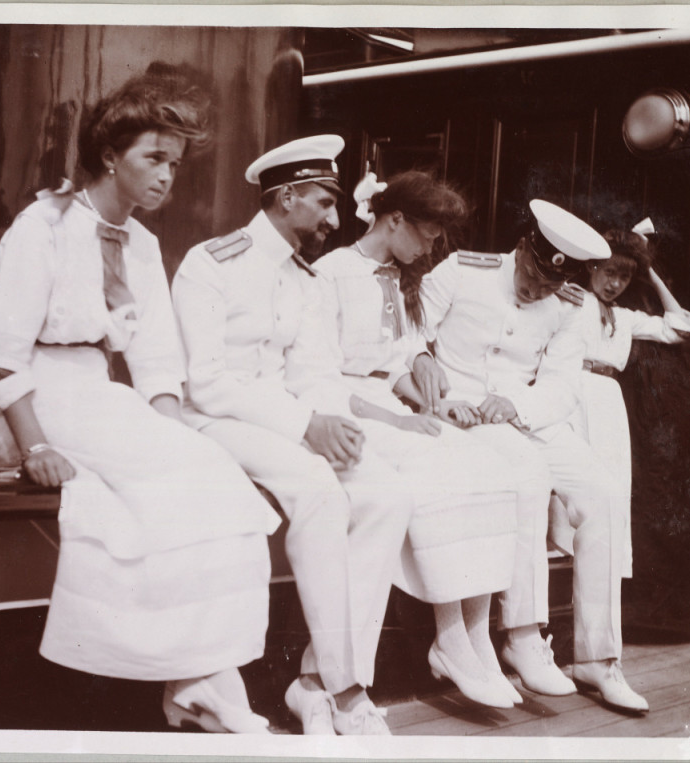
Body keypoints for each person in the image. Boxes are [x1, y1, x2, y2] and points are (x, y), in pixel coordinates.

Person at [0, 69, 279, 734]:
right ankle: (198, 684)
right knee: (184, 480)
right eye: (154, 158)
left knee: (214, 479)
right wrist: (36, 444)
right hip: (39, 395)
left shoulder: (142, 242)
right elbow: (4, 354)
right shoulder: (43, 225)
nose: (168, 175)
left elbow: (156, 361)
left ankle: (201, 675)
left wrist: (175, 438)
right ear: (110, 156)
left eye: (174, 162)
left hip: (98, 393)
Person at [171, 135, 414, 736]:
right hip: (210, 420)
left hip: (280, 420)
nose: (335, 218)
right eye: (324, 202)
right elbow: (206, 384)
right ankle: (349, 690)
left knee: (386, 492)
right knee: (319, 489)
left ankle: (312, 682)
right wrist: (305, 426)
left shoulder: (304, 278)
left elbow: (310, 374)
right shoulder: (211, 263)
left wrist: (338, 425)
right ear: (285, 198)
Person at [415, 199, 650, 713]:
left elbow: (563, 388)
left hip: (527, 415)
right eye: (533, 274)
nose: (535, 289)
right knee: (529, 475)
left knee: (604, 493)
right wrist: (434, 385)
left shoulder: (569, 304)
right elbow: (413, 334)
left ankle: (598, 658)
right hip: (462, 414)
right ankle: (523, 636)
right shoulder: (463, 270)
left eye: (548, 285)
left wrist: (516, 404)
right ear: (523, 247)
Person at [305, 170, 522, 708]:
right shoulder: (329, 274)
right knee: (437, 468)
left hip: (389, 405)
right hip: (348, 411)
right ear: (395, 220)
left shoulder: (393, 276)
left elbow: (395, 363)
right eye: (428, 235)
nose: (431, 247)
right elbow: (328, 379)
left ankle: (475, 636)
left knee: (484, 462)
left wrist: (432, 403)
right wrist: (403, 421)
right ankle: (448, 636)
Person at [548, 219, 690, 577]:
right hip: (570, 391)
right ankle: (560, 556)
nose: (614, 284)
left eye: (624, 278)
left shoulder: (625, 318)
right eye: (609, 272)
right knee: (569, 487)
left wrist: (650, 273)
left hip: (608, 404)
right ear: (592, 266)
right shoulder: (570, 299)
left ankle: (597, 567)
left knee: (608, 488)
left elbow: (680, 327)